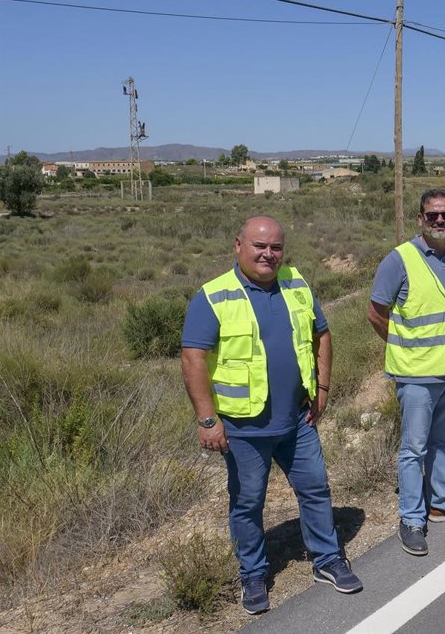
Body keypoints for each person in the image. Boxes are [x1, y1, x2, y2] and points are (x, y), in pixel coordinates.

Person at [181, 216, 362, 615]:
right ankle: (253, 574)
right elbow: (193, 357)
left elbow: (321, 334)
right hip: (244, 428)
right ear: (238, 245)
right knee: (248, 503)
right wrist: (207, 419)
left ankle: (328, 559)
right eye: (259, 246)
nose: (268, 254)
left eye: (276, 247)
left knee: (315, 489)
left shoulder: (296, 284)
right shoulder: (214, 296)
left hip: (297, 420)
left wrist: (323, 389)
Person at [367, 189, 445, 557]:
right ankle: (412, 519)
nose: (439, 220)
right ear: (420, 218)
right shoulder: (399, 260)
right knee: (413, 450)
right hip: (417, 375)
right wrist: (404, 346)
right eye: (432, 215)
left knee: (441, 441)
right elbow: (376, 313)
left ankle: (442, 502)